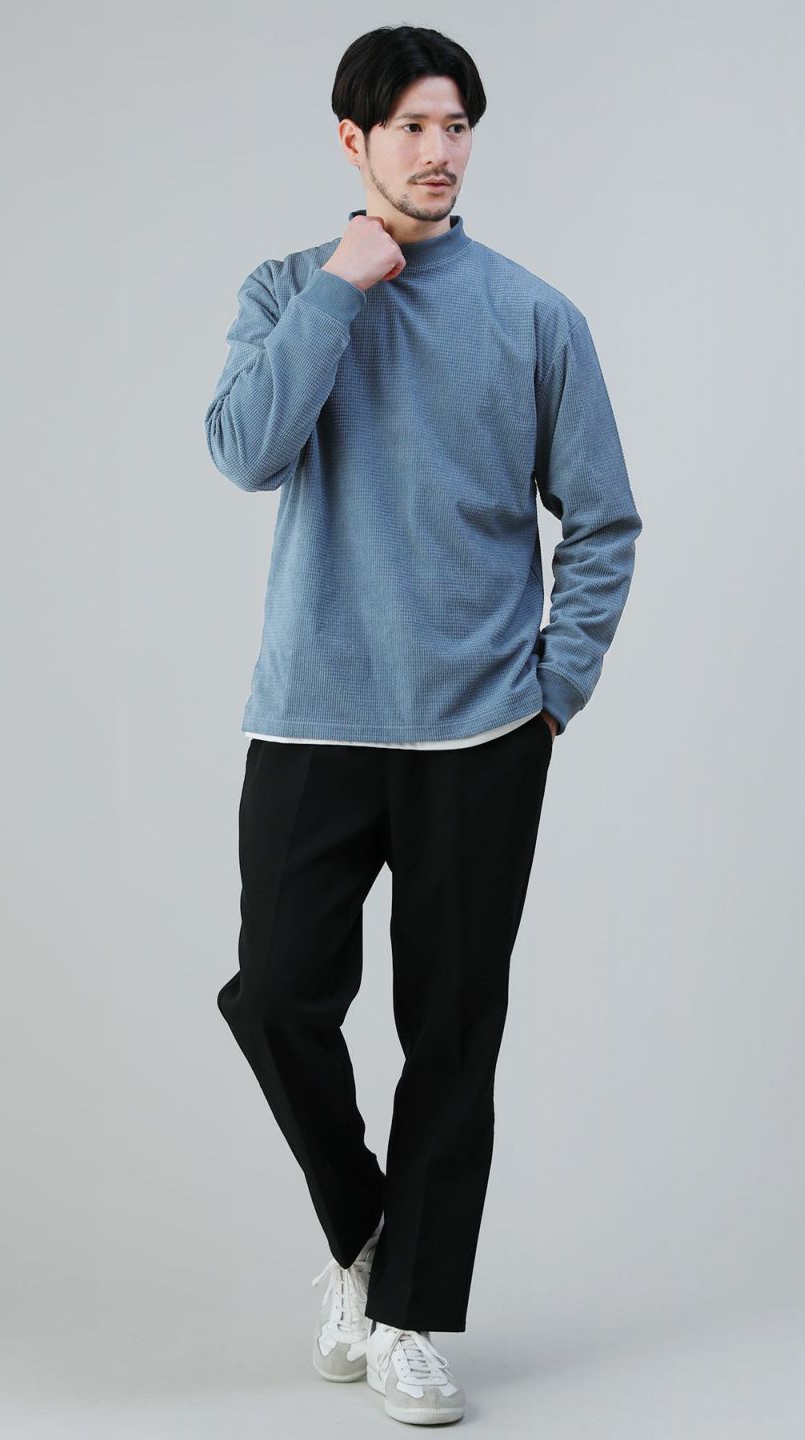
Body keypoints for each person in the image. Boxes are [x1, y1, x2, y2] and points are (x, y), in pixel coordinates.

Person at [207, 23, 641, 1427]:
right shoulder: (287, 290)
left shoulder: (534, 315)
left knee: (452, 1031)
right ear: (354, 141)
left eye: (456, 125)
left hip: (480, 733)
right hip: (314, 717)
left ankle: (406, 1318)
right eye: (410, 126)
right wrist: (342, 287)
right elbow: (245, 451)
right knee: (277, 995)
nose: (439, 150)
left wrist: (553, 692)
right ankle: (364, 1238)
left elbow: (605, 520)